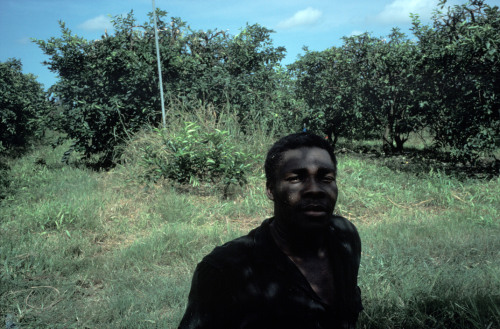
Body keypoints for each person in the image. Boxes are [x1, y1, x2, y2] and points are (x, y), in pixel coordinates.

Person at [178, 132, 363, 329]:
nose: (315, 189)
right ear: (270, 189)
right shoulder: (225, 270)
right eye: (296, 178)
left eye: (326, 178)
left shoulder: (344, 236)